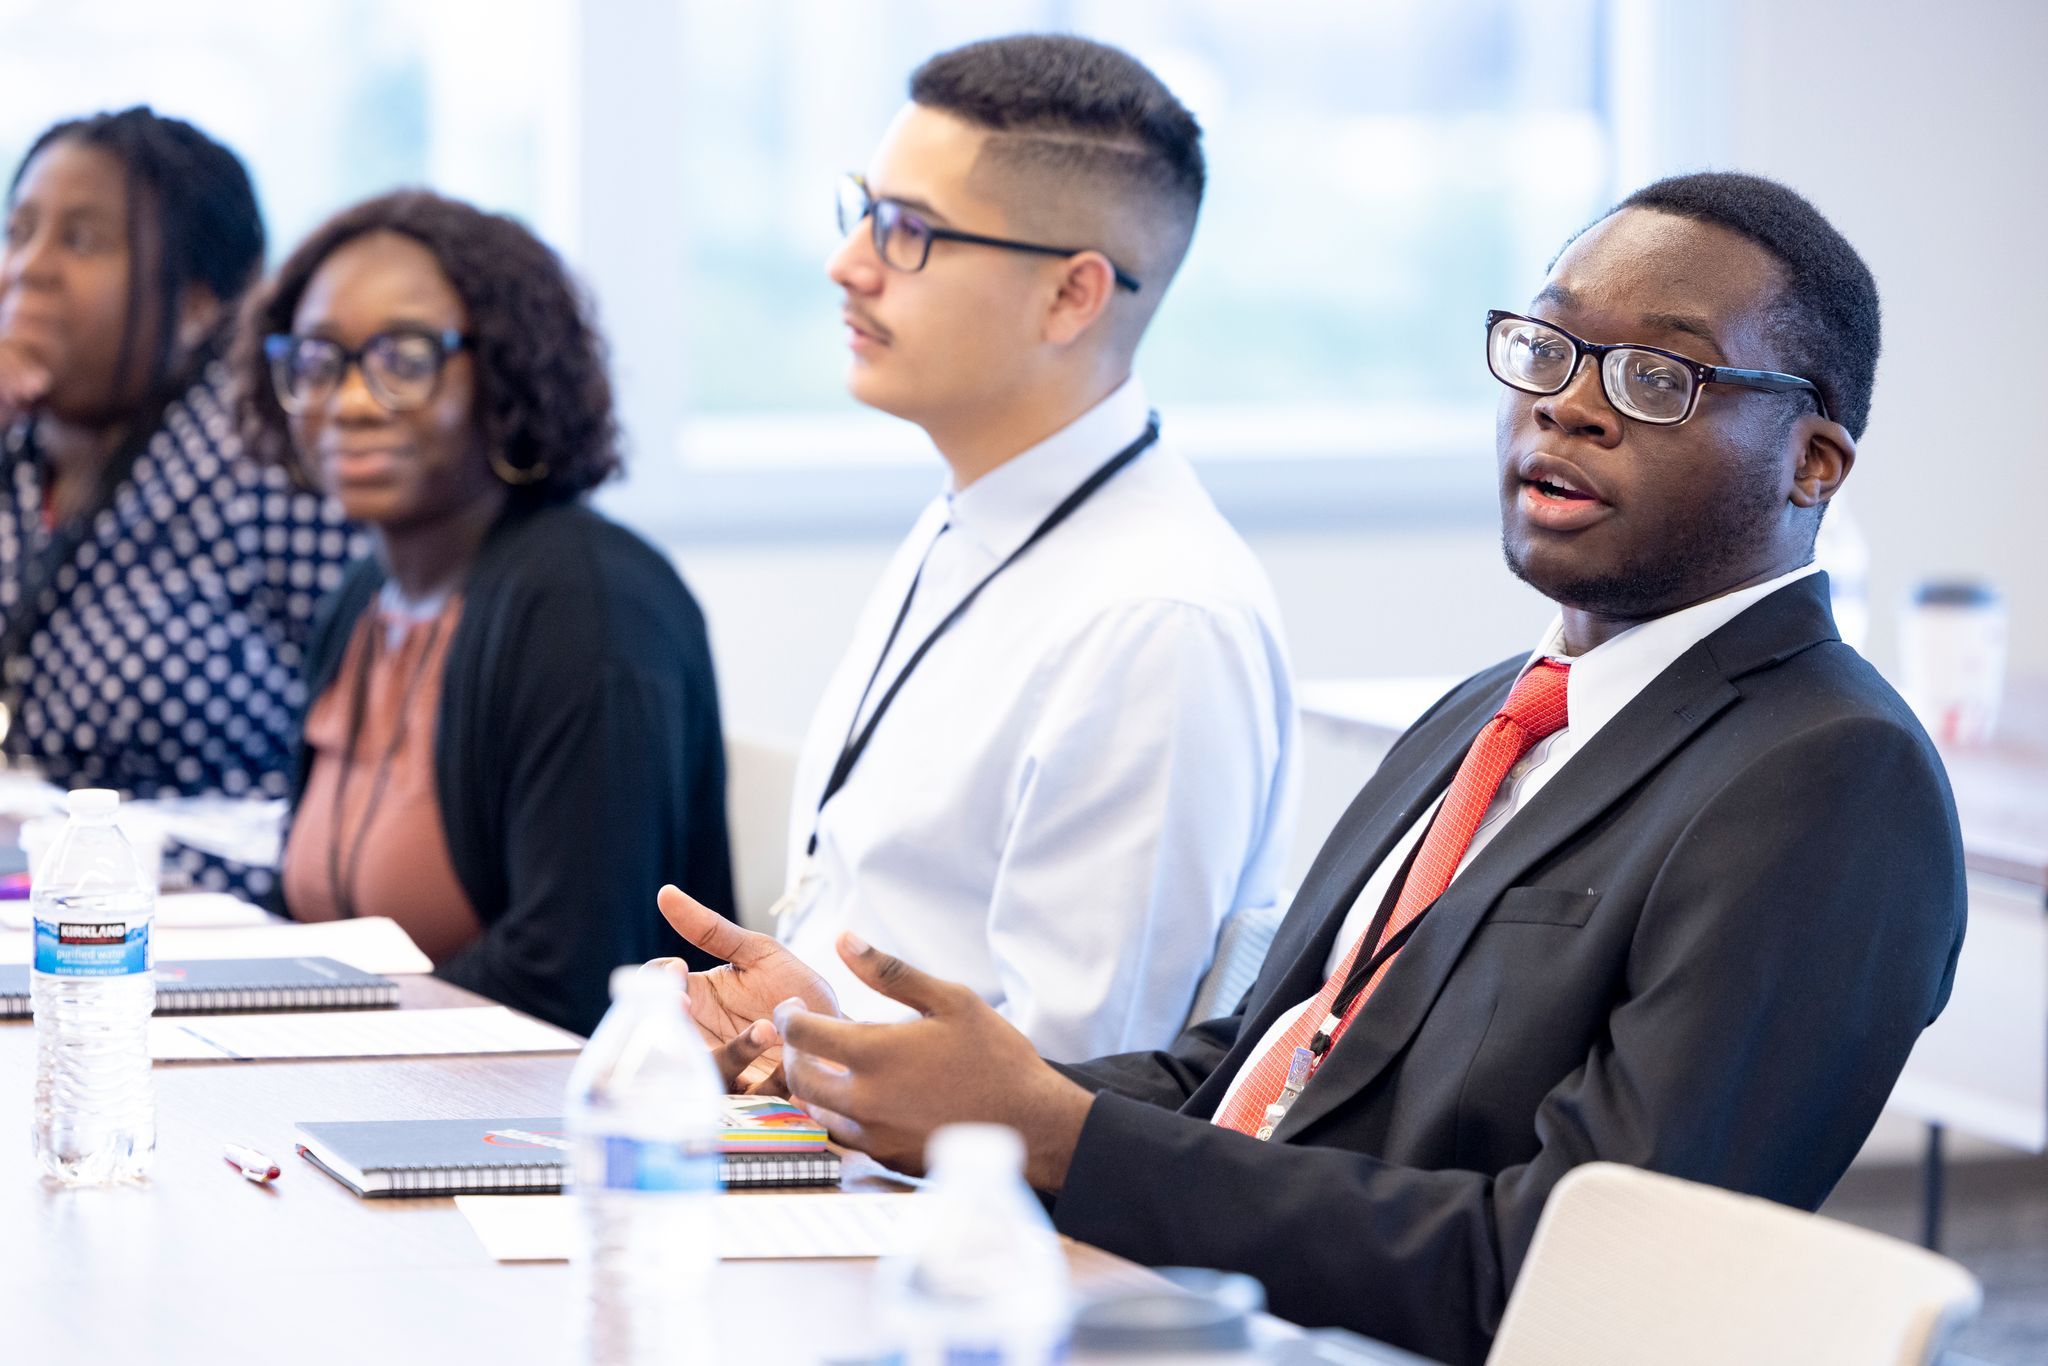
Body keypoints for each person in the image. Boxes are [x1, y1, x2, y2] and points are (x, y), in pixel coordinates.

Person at [658, 172, 1967, 1364]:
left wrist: (1061, 1133)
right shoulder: (1490, 708)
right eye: (1551, 348)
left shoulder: (1834, 777)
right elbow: (1264, 1074)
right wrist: (858, 1061)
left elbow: (1571, 1274)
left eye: (1658, 376)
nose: (1569, 401)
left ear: (1813, 461)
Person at [770, 34, 1297, 1060]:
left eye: (907, 230)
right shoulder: (973, 512)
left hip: (957, 1208)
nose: (848, 263)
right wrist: (783, 1021)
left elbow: (1068, 1086)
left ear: (1071, 295)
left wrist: (803, 1063)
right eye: (863, 210)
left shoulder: (1157, 618)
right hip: (819, 1136)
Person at [236, 190, 735, 1036]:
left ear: (507, 371)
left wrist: (317, 1027)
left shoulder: (589, 606)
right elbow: (307, 909)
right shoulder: (367, 598)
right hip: (376, 1098)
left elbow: (572, 975)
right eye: (320, 359)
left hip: (563, 1132)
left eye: (404, 358)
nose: (350, 400)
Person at [0, 108, 358, 895]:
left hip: (215, 927)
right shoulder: (18, 452)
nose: (31, 266)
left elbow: (378, 781)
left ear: (199, 304)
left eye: (81, 239)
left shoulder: (274, 455)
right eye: (18, 231)